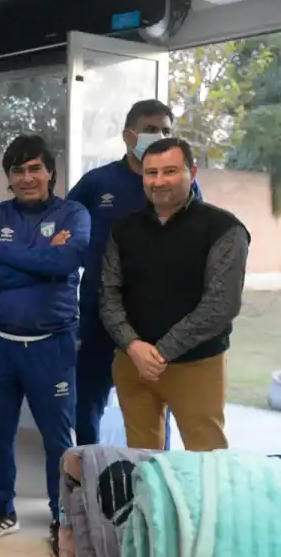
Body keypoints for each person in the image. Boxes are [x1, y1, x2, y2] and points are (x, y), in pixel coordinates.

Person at [0, 135, 90, 556]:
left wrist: (7, 255)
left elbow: (65, 261)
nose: (27, 177)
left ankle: (64, 517)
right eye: (18, 171)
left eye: (35, 168)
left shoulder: (73, 213)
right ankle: (0, 508)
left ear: (50, 172)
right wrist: (39, 264)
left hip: (50, 346)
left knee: (58, 438)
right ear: (9, 178)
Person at [67, 99, 202, 447]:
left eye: (167, 130)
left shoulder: (180, 187)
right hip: (99, 313)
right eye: (152, 129)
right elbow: (64, 231)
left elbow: (198, 241)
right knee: (89, 401)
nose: (160, 136)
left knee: (155, 407)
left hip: (155, 318)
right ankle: (88, 477)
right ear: (130, 136)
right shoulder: (97, 183)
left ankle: (154, 484)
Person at [100, 137, 248, 451]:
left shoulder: (223, 228)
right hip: (132, 363)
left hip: (195, 365)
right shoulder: (124, 229)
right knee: (142, 461)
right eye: (151, 173)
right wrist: (133, 346)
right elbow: (108, 293)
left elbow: (221, 305)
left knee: (206, 460)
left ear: (192, 172)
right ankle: (151, 503)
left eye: (170, 171)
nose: (159, 181)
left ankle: (204, 505)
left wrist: (161, 351)